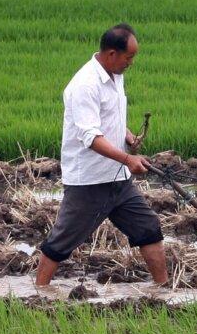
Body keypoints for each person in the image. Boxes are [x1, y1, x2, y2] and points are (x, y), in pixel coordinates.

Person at [35, 23, 168, 288]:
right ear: (111, 54)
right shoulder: (85, 85)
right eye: (128, 57)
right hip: (90, 182)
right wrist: (128, 159)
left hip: (117, 179)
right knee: (61, 243)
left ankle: (164, 290)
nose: (131, 63)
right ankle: (38, 293)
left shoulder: (115, 74)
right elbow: (91, 137)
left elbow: (108, 117)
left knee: (148, 229)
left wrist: (127, 135)